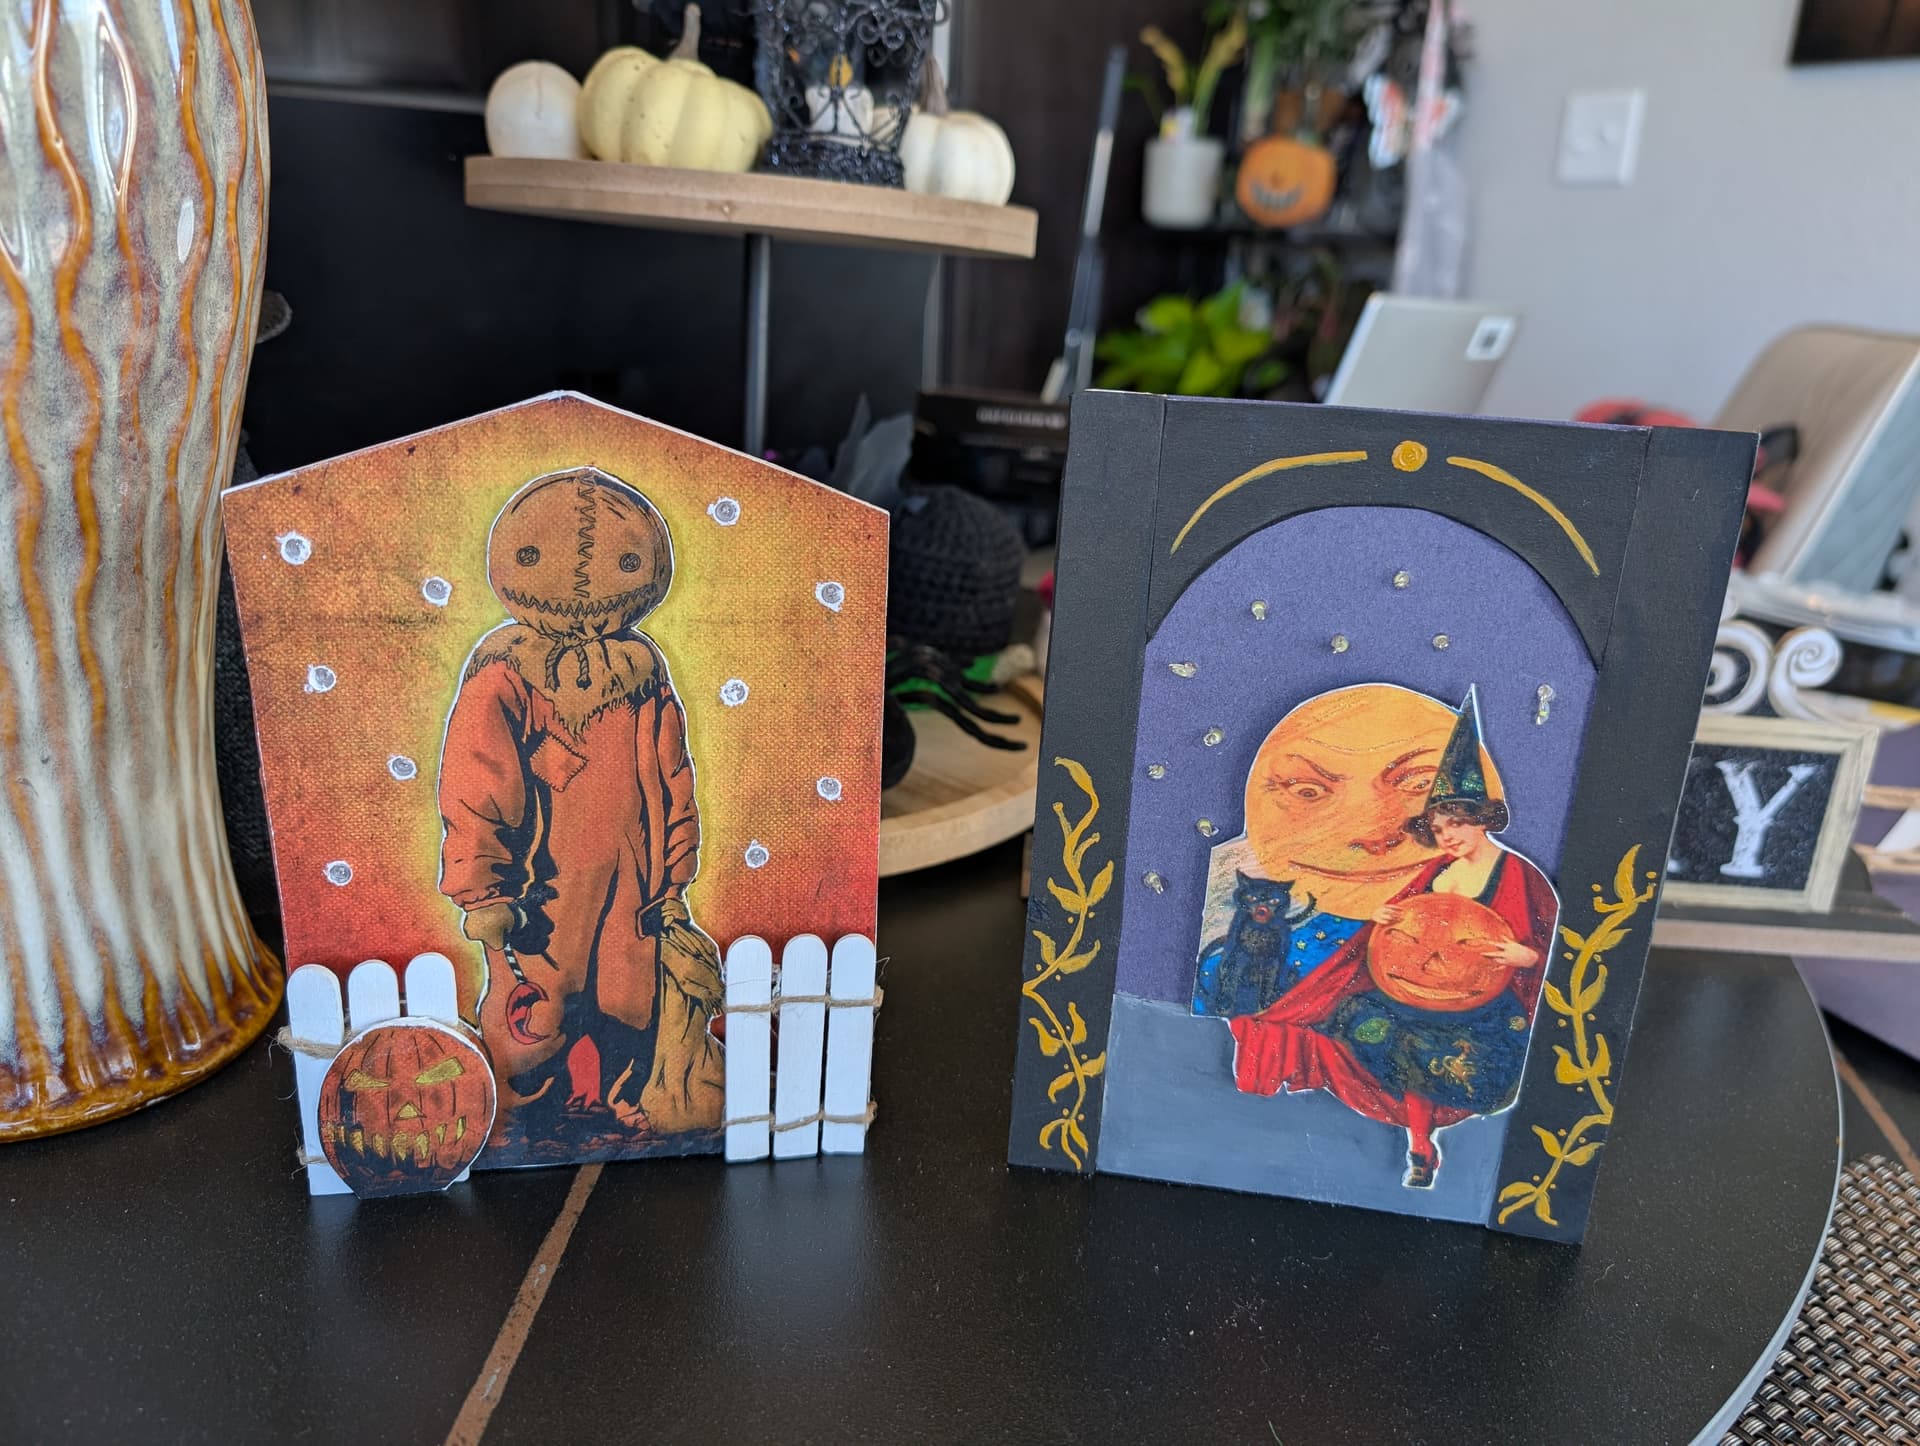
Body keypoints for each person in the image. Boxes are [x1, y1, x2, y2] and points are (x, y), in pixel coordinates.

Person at [438, 466, 725, 1157]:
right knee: (536, 1005)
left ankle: (621, 1099)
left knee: (630, 997)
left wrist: (673, 876)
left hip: (632, 883)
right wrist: (484, 891)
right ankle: (521, 1111)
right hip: (541, 889)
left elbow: (672, 778)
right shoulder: (503, 676)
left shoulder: (642, 673)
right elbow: (477, 785)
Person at [1228, 686, 1558, 1188]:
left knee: (1435, 1051)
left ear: (1482, 820)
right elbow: (1408, 922)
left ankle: (1422, 1144)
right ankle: (1421, 1146)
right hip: (1410, 995)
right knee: (1374, 1027)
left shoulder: (1522, 877)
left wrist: (1524, 956)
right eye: (1439, 828)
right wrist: (1386, 917)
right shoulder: (1436, 870)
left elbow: (1551, 948)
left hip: (1481, 1007)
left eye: (1457, 823)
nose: (1447, 836)